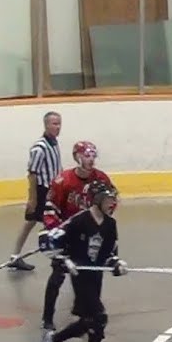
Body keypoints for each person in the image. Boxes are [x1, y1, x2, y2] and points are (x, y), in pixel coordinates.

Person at [36, 180, 128, 342]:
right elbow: (48, 240)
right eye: (108, 199)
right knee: (99, 316)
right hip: (80, 276)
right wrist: (63, 260)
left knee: (87, 321)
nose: (112, 203)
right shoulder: (79, 221)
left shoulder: (111, 224)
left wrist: (116, 264)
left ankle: (53, 339)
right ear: (96, 200)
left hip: (96, 276)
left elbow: (110, 253)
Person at [40, 140, 114, 331]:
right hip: (68, 234)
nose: (91, 160)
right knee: (58, 274)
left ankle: (87, 312)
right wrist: (55, 231)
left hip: (90, 238)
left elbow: (111, 203)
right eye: (86, 156)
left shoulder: (101, 179)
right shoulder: (62, 180)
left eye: (93, 156)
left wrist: (100, 225)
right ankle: (47, 316)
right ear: (77, 157)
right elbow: (50, 209)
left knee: (93, 274)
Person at [8, 111, 62, 271]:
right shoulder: (39, 148)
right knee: (38, 222)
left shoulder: (54, 143)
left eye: (59, 123)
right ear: (46, 125)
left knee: (33, 223)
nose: (58, 127)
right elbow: (32, 174)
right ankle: (15, 256)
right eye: (54, 124)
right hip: (42, 191)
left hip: (53, 190)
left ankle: (15, 256)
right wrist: (33, 198)